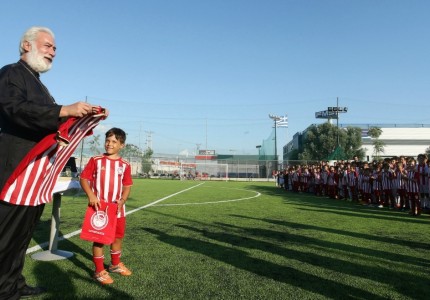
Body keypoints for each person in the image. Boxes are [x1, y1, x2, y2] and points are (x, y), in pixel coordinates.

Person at [0, 26, 100, 299]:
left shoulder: (39, 83)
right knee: (6, 233)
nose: (53, 52)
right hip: (16, 167)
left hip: (37, 172)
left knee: (22, 234)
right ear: (26, 45)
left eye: (54, 48)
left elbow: (48, 121)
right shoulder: (11, 73)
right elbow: (14, 109)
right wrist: (62, 110)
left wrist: (73, 122)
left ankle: (12, 284)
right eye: (47, 46)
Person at [80, 128, 133, 285]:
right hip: (99, 209)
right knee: (99, 239)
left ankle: (115, 264)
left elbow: (127, 185)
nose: (109, 144)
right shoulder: (96, 160)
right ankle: (98, 270)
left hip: (117, 210)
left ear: (122, 145)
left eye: (114, 142)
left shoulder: (125, 164)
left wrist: (122, 200)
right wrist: (91, 195)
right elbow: (84, 178)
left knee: (117, 237)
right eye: (108, 141)